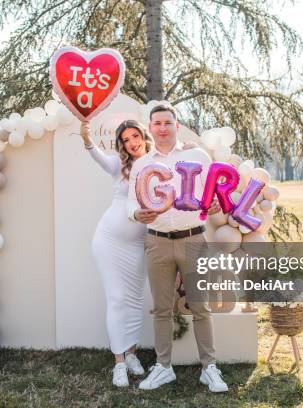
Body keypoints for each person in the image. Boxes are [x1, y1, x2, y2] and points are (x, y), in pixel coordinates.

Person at [127, 104, 229, 393]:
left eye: (167, 122)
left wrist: (216, 203)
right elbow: (130, 202)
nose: (162, 127)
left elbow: (213, 195)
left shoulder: (196, 156)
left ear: (176, 125)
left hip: (193, 238)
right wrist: (136, 215)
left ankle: (209, 368)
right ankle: (163, 367)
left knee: (200, 306)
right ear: (150, 127)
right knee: (161, 309)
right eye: (157, 122)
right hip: (157, 240)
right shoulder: (141, 164)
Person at [80, 119, 151, 387]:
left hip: (138, 244)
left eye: (135, 136)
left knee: (135, 299)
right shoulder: (118, 165)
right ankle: (119, 363)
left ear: (144, 136)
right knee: (117, 298)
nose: (132, 142)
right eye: (125, 139)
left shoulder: (157, 164)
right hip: (109, 240)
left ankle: (132, 353)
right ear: (121, 144)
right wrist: (87, 139)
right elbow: (95, 154)